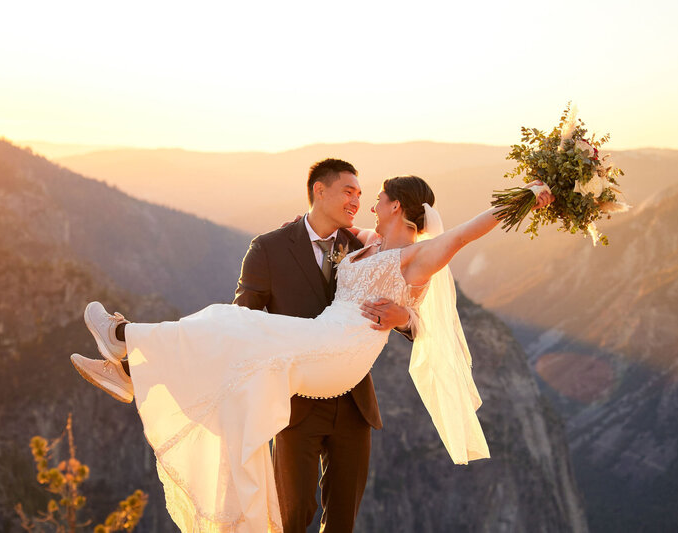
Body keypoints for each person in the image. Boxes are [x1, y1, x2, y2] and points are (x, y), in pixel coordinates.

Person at [71, 174, 553, 533]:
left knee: (233, 324)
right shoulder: (366, 247)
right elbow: (319, 230)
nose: (369, 202)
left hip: (339, 354)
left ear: (398, 207)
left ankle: (125, 339)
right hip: (322, 339)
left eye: (379, 196)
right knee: (231, 324)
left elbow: (469, 231)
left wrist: (531, 193)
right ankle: (132, 367)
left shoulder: (417, 258)